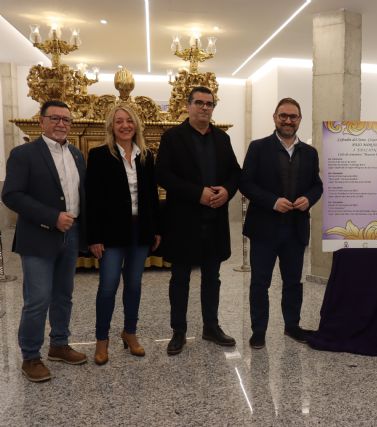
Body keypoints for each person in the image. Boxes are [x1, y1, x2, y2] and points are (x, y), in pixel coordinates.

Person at [2, 100, 88, 382]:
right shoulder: (23, 154)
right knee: (37, 299)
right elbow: (11, 195)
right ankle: (30, 356)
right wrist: (52, 217)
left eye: (66, 119)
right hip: (38, 236)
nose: (61, 124)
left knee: (63, 295)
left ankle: (59, 344)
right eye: (55, 118)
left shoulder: (76, 154)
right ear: (41, 122)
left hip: (70, 235)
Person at [156, 86, 241, 355]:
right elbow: (163, 175)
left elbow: (235, 173)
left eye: (209, 103)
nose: (205, 107)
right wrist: (197, 194)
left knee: (212, 277)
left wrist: (226, 190)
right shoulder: (173, 137)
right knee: (180, 278)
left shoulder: (222, 138)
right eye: (199, 103)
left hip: (214, 221)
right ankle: (178, 331)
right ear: (188, 105)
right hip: (184, 221)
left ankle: (211, 327)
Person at [240, 98, 323, 349]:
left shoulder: (309, 152)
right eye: (283, 116)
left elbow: (317, 185)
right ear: (275, 117)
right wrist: (272, 202)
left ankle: (292, 326)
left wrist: (309, 199)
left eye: (293, 116)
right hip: (264, 229)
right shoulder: (258, 147)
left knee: (293, 283)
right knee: (260, 283)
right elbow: (245, 183)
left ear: (299, 120)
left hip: (295, 230)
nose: (288, 120)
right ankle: (258, 331)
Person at [86, 104, 161, 365]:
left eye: (129, 121)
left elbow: (152, 196)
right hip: (111, 232)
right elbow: (92, 199)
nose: (125, 125)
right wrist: (94, 237)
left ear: (136, 124)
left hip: (140, 230)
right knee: (108, 286)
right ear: (111, 126)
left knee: (134, 284)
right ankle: (101, 339)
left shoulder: (146, 156)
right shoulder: (99, 155)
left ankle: (130, 332)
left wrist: (156, 229)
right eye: (119, 121)